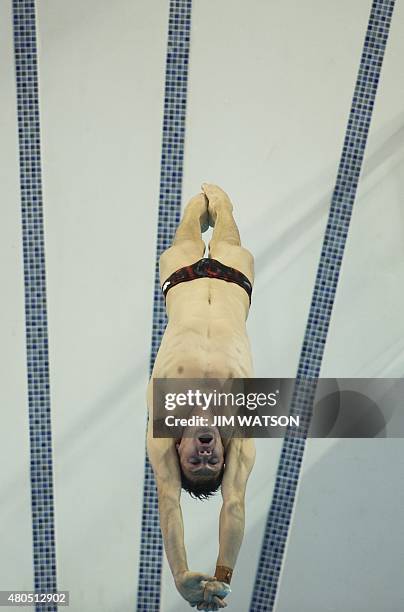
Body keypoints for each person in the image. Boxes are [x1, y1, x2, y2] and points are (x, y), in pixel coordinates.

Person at [146, 184, 256, 610]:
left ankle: (200, 206)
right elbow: (235, 501)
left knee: (196, 209)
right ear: (225, 459)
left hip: (183, 279)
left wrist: (180, 573)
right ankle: (221, 204)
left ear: (179, 449)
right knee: (224, 205)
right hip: (234, 283)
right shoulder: (241, 427)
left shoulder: (164, 423)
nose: (206, 454)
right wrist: (224, 572)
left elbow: (169, 500)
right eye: (213, 462)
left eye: (196, 460)